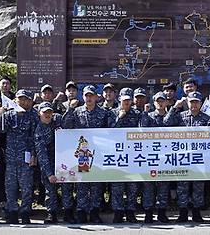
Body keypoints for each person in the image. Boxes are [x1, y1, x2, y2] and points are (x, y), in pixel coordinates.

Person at [61, 85, 115, 223]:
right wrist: (70, 109)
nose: (89, 98)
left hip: (98, 154)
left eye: (91, 95)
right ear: (83, 97)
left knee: (96, 185)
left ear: (96, 97)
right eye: (86, 95)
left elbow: (111, 131)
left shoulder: (103, 112)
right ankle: (81, 212)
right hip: (82, 154)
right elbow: (66, 126)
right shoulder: (76, 111)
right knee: (82, 184)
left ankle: (94, 212)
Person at [164, 91, 210, 223]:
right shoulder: (180, 116)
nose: (194, 105)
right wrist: (175, 107)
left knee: (198, 186)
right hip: (183, 158)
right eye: (192, 102)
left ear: (200, 103)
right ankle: (183, 213)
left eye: (197, 102)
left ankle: (197, 213)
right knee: (182, 187)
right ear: (188, 103)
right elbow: (166, 122)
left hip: (199, 158)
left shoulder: (207, 118)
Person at [0, 89, 38, 224]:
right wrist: (2, 115)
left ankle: (25, 213)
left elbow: (34, 137)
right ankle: (13, 213)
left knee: (27, 188)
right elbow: (1, 129)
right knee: (10, 187)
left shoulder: (33, 116)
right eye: (19, 98)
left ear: (29, 101)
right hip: (11, 158)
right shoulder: (9, 115)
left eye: (25, 99)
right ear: (15, 100)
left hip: (26, 158)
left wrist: (34, 155)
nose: (22, 101)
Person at [110, 88, 142, 223]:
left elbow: (143, 131)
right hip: (118, 155)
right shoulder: (111, 113)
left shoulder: (137, 113)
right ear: (120, 100)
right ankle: (118, 212)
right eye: (124, 100)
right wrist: (119, 118)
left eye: (129, 100)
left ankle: (130, 211)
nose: (127, 103)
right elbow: (108, 132)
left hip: (134, 156)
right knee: (117, 186)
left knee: (132, 186)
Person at [140, 92, 171, 223]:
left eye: (162, 101)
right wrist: (145, 113)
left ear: (166, 102)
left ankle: (162, 212)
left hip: (166, 157)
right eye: (157, 101)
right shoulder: (149, 116)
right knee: (148, 187)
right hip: (149, 156)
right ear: (154, 102)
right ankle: (148, 213)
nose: (160, 103)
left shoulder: (170, 116)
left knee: (163, 186)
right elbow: (141, 129)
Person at [34, 102, 64, 223]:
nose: (47, 114)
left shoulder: (57, 123)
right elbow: (42, 155)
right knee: (50, 190)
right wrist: (49, 173)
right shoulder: (39, 131)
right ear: (39, 114)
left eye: (49, 112)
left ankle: (68, 212)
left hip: (63, 162)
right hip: (49, 165)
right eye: (44, 112)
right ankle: (52, 214)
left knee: (66, 189)